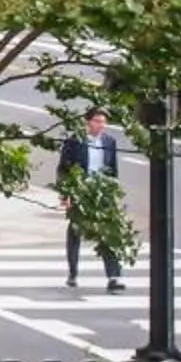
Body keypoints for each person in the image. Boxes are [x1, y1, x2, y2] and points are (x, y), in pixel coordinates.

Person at [56, 109, 126, 292]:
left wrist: (114, 193)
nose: (100, 125)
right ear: (88, 122)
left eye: (103, 122)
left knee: (109, 232)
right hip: (80, 190)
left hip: (102, 191)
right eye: (96, 121)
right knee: (76, 231)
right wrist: (65, 194)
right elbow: (63, 168)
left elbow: (113, 169)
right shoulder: (74, 140)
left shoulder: (109, 142)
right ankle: (73, 271)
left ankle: (113, 276)